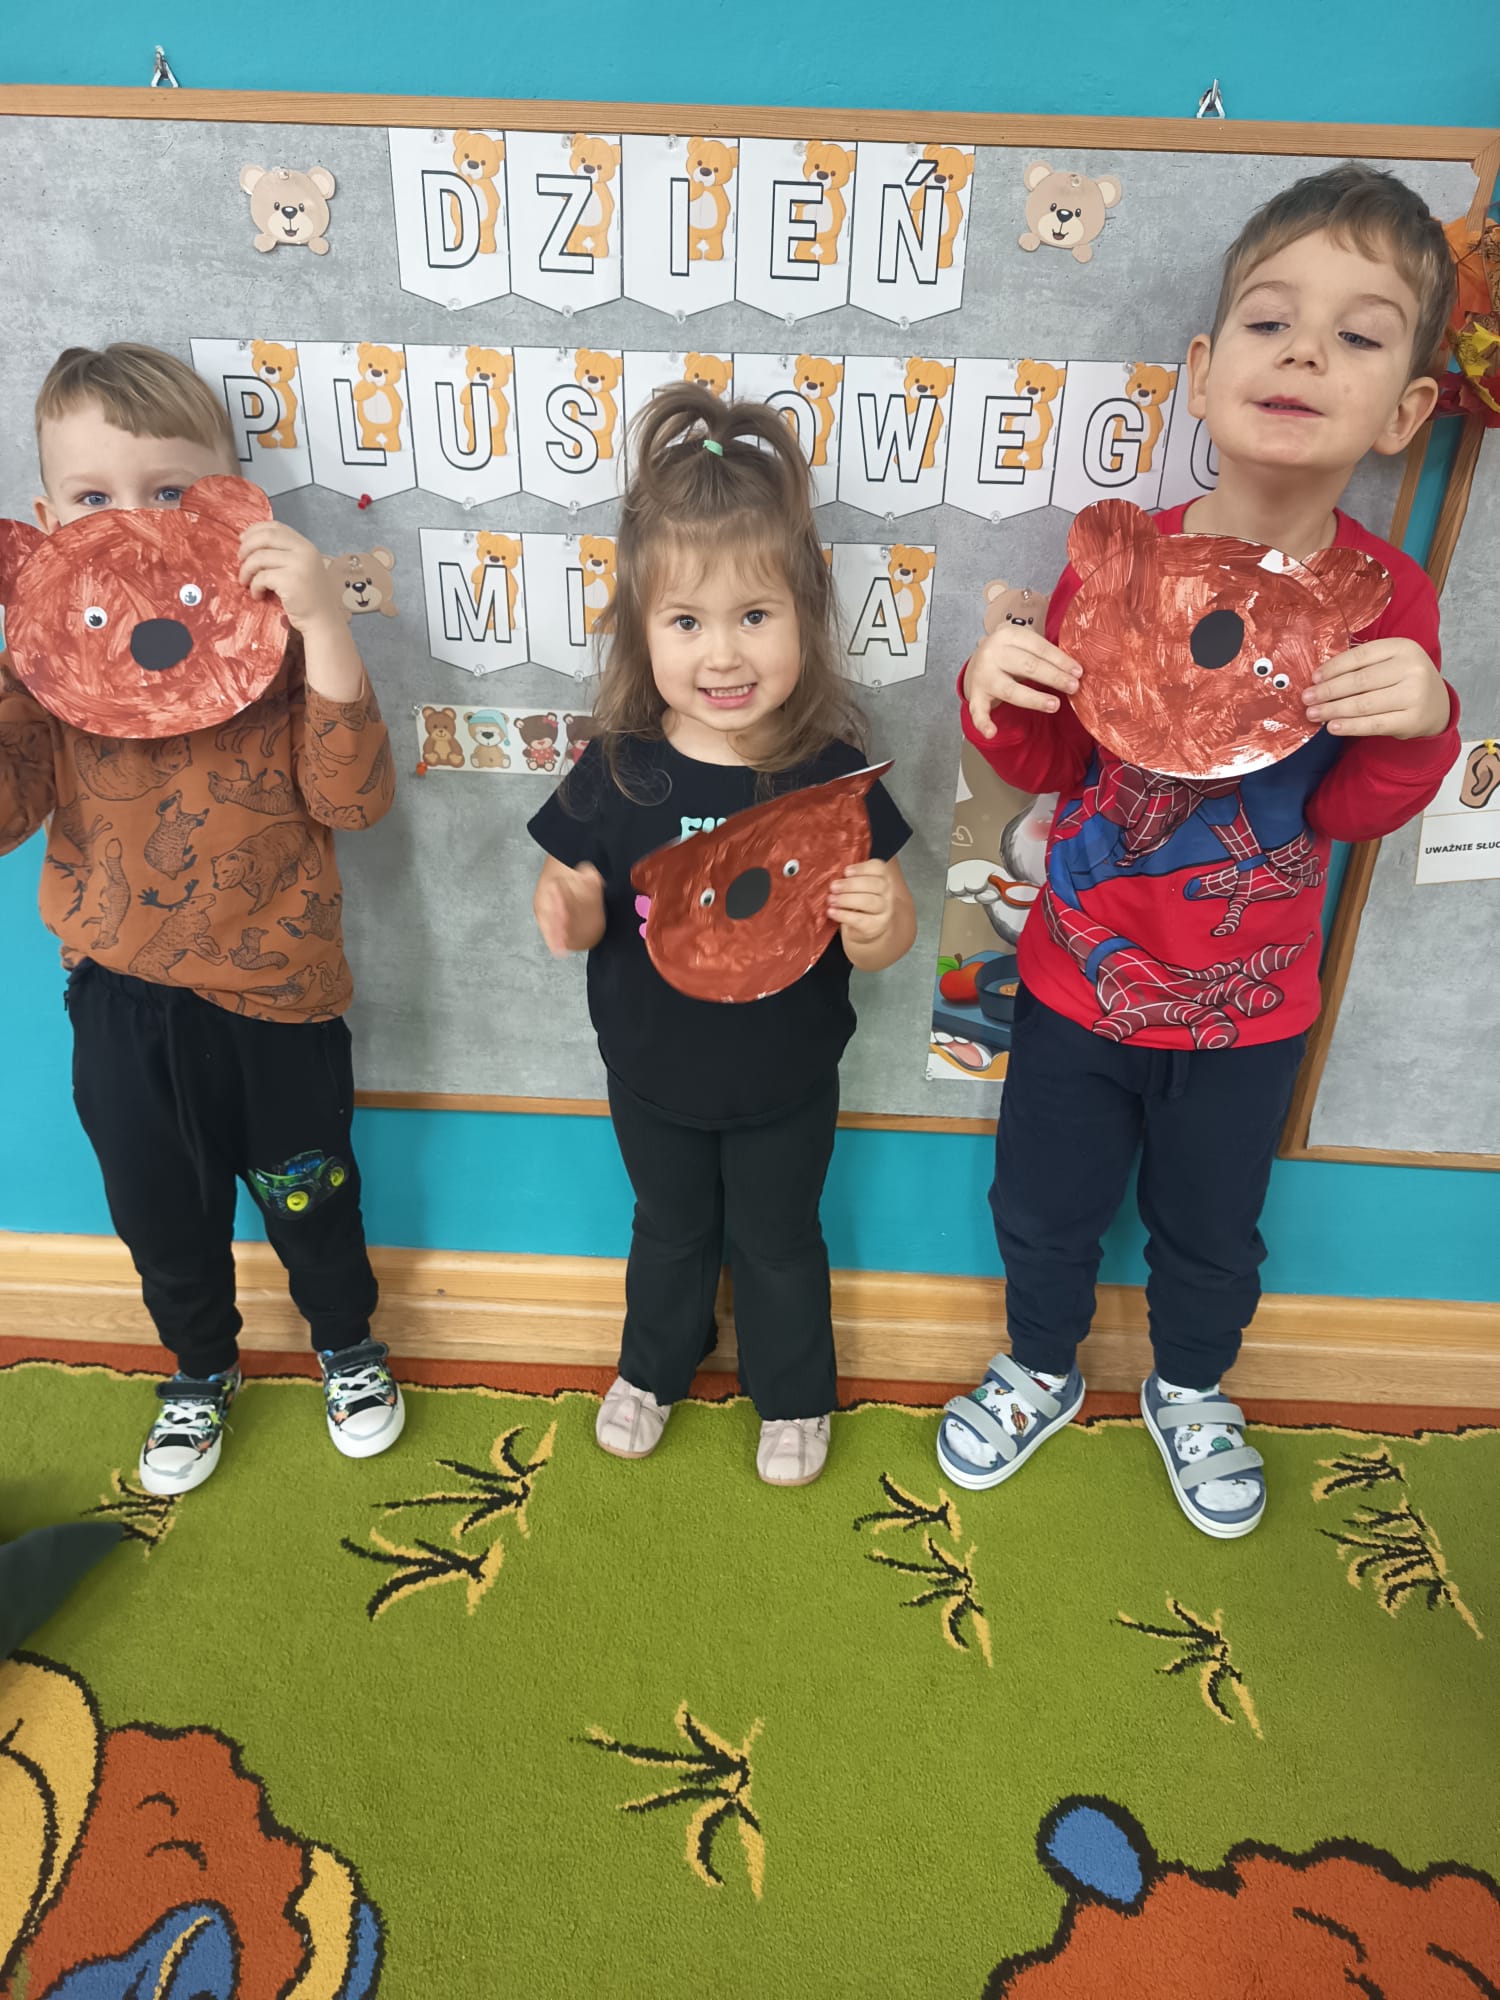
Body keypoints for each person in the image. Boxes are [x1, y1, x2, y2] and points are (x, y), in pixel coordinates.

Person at [938, 165, 1461, 1536]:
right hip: (1077, 987)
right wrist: (996, 693)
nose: (1304, 353)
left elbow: (1350, 813)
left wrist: (1423, 721)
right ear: (1202, 369)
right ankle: (1039, 1363)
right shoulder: (1121, 561)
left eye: (1357, 334)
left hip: (1248, 1010)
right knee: (1041, 1203)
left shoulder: (1385, 600)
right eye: (1270, 321)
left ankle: (1192, 1385)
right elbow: (1057, 764)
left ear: (1406, 410)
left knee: (1215, 1228)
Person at [0, 344, 405, 1495]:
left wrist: (323, 622)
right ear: (49, 520)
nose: (134, 522)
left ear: (230, 506)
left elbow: (354, 799)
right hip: (121, 1002)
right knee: (159, 1209)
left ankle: (347, 1344)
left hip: (279, 994)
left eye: (171, 491)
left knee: (313, 1194)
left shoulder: (273, 641)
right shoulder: (47, 657)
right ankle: (198, 1368)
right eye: (95, 496)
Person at [528, 384, 915, 1487]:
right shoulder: (618, 769)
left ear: (804, 615)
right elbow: (572, 894)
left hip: (787, 1080)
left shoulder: (829, 775)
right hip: (650, 1075)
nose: (723, 653)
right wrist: (570, 909)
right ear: (641, 629)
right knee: (667, 1228)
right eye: (687, 621)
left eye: (755, 615)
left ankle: (793, 1392)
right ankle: (654, 1363)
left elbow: (884, 940)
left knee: (781, 1240)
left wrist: (882, 922)